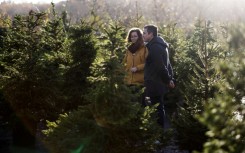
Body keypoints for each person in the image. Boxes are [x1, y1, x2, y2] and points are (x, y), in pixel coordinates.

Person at [142, 24, 175, 127]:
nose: (143, 35)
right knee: (158, 107)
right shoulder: (158, 44)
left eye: (144, 33)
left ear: (151, 34)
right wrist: (169, 79)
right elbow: (167, 65)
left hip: (155, 82)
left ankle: (159, 135)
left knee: (157, 109)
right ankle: (159, 134)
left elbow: (161, 66)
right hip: (157, 82)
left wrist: (168, 80)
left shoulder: (155, 47)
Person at [123, 28, 148, 103]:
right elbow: (124, 63)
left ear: (140, 36)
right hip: (128, 82)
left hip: (139, 83)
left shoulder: (145, 48)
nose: (133, 38)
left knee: (138, 105)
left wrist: (137, 68)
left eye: (135, 36)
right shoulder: (129, 49)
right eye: (131, 36)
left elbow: (148, 63)